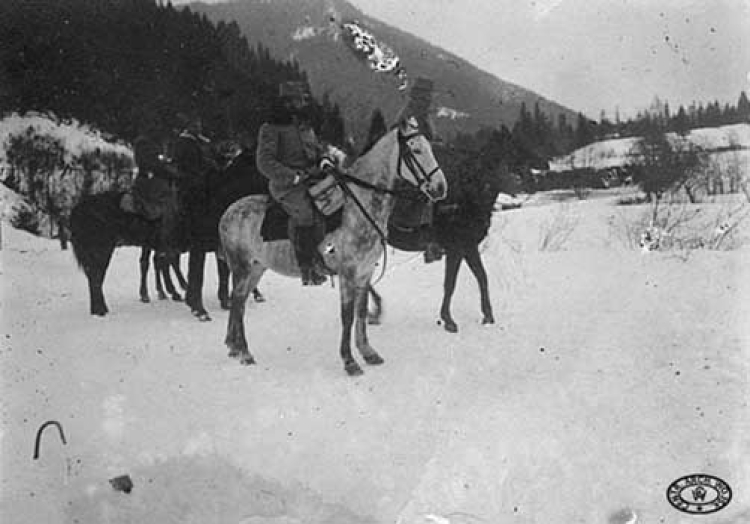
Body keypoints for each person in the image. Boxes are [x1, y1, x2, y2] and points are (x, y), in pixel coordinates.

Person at [255, 80, 330, 286]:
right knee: (306, 214)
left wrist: (324, 159)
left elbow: (316, 148)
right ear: (287, 102)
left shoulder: (305, 125)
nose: (303, 103)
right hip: (287, 186)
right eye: (298, 99)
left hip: (313, 178)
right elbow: (265, 162)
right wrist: (292, 176)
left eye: (303, 99)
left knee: (337, 201)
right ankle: (308, 266)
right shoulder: (271, 128)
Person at [130, 132, 180, 256]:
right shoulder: (145, 145)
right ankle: (165, 241)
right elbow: (153, 165)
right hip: (149, 182)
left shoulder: (145, 143)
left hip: (148, 180)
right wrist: (171, 172)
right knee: (169, 203)